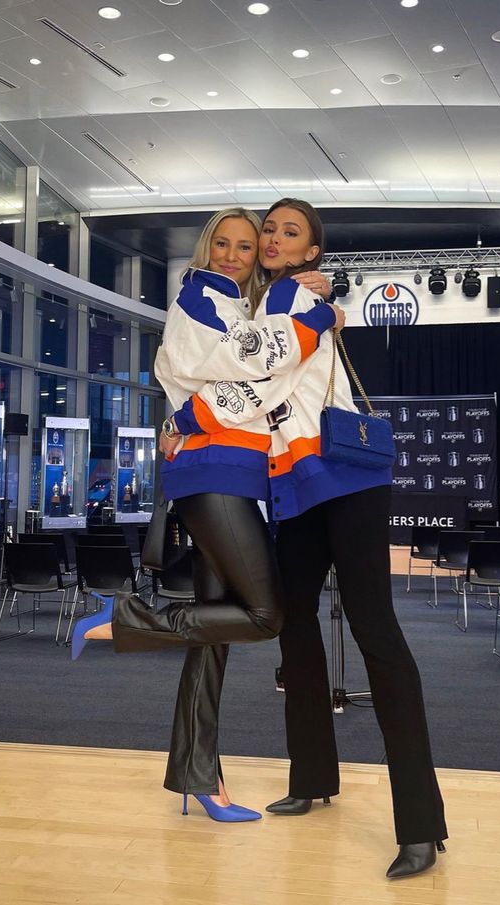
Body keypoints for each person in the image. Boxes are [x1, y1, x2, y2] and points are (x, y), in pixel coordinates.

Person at [164, 198, 448, 878]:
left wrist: (190, 411)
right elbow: (222, 365)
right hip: (289, 486)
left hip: (343, 477)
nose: (271, 239)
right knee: (292, 630)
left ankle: (420, 822)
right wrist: (188, 417)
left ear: (311, 253)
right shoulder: (255, 305)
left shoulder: (298, 297)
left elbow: (257, 381)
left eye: (289, 232)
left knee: (375, 630)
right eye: (268, 228)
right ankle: (313, 775)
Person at [71, 206, 341, 824]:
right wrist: (317, 317)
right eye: (223, 243)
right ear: (206, 247)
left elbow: (257, 385)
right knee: (266, 614)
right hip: (213, 473)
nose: (232, 254)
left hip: (234, 476)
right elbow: (258, 371)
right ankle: (123, 618)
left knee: (214, 634)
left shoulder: (238, 308)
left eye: (245, 247)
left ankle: (200, 776)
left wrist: (198, 408)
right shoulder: (200, 299)